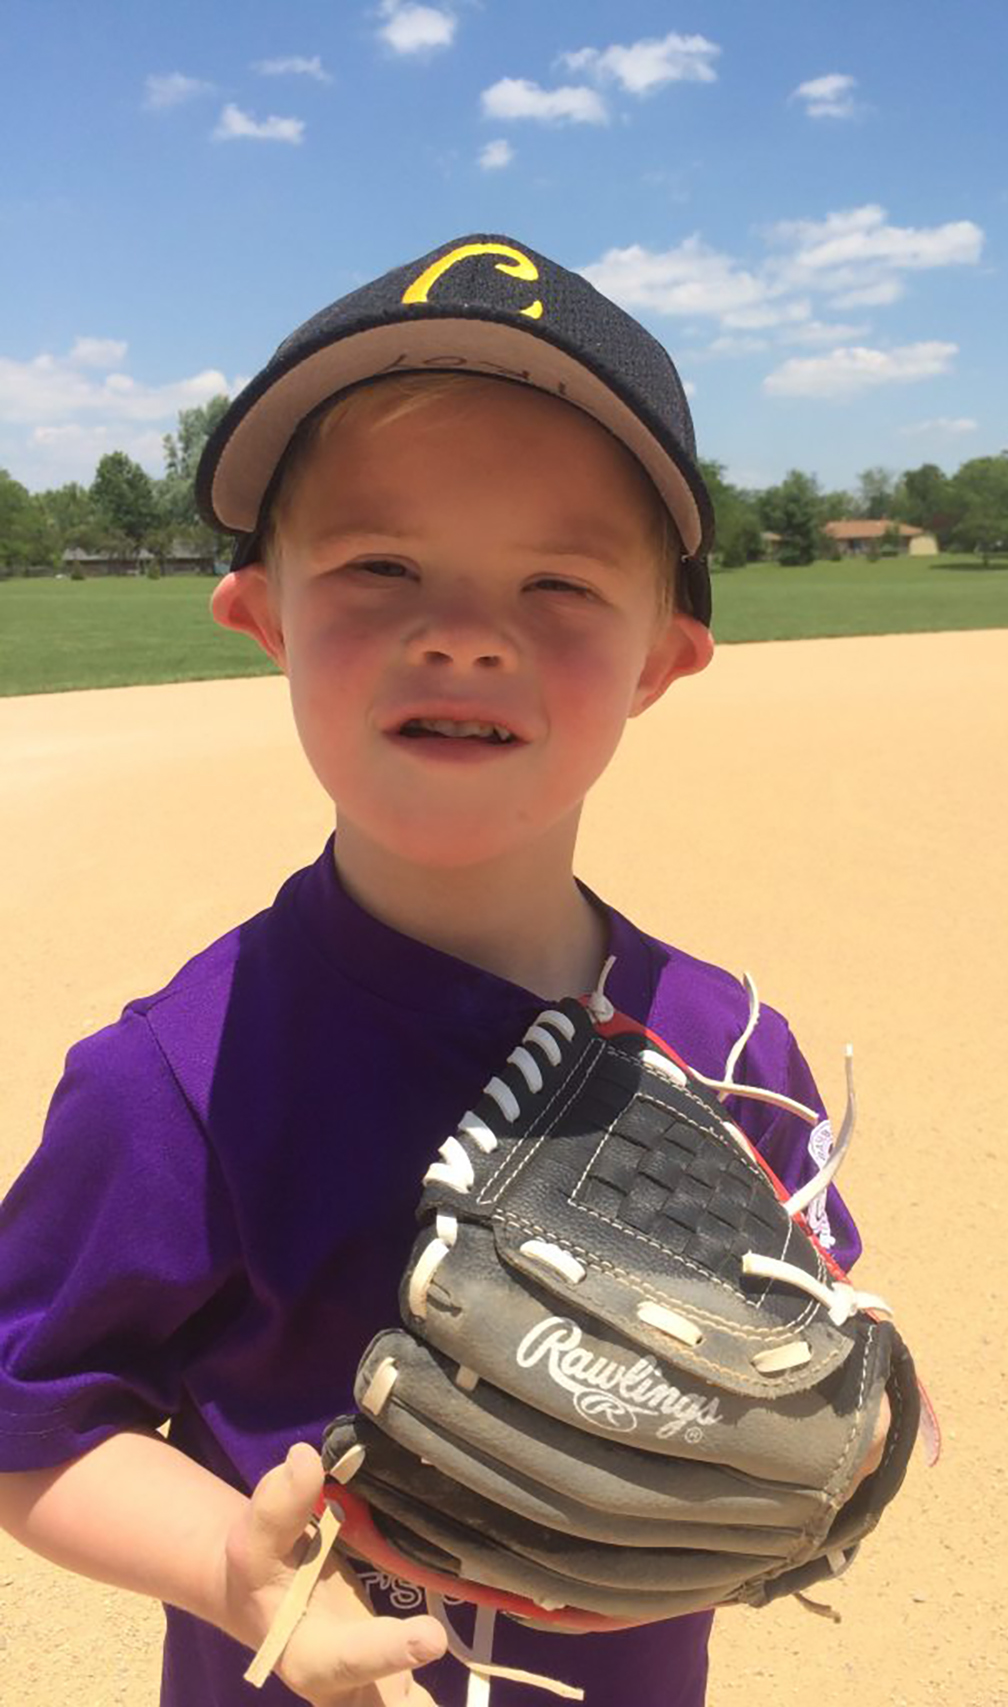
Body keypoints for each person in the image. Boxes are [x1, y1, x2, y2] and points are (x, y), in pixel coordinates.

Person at [0, 234, 880, 1707]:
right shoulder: (176, 1080)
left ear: (662, 658)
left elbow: (817, 1332)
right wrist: (234, 1564)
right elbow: (31, 1426)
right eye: (379, 566)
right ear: (261, 616)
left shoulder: (732, 1049)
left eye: (557, 583)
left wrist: (840, 1430)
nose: (467, 635)